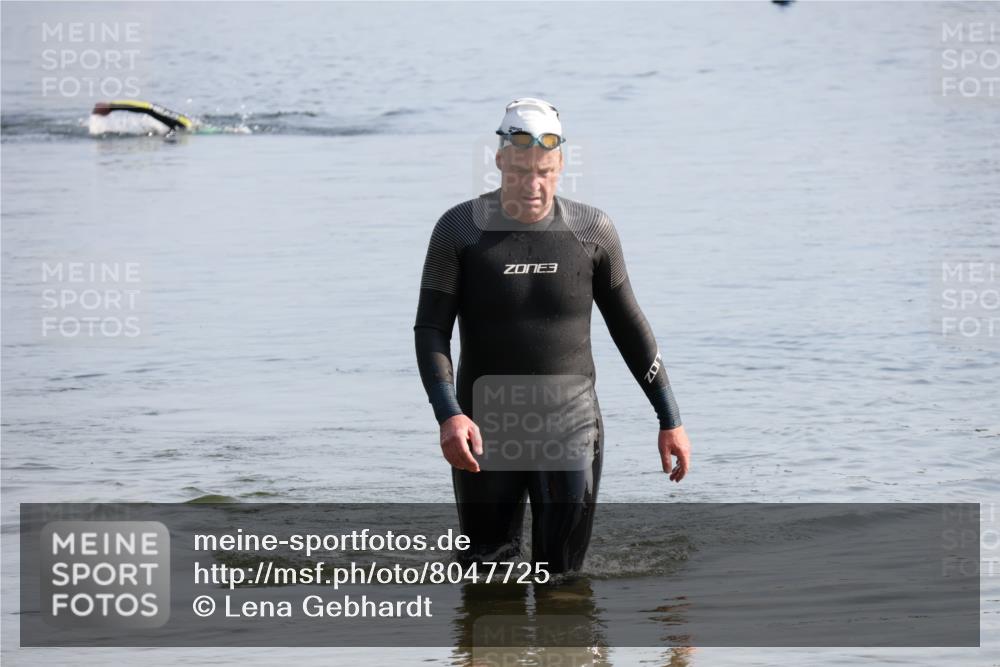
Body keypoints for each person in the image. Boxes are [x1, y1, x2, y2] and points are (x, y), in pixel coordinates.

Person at [414, 98, 691, 573]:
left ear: (560, 163)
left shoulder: (592, 231)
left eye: (545, 171)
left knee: (562, 581)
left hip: (571, 425)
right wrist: (449, 415)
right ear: (500, 160)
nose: (533, 184)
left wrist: (670, 417)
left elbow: (630, 328)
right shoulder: (459, 229)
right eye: (521, 170)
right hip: (485, 425)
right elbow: (431, 330)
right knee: (487, 572)